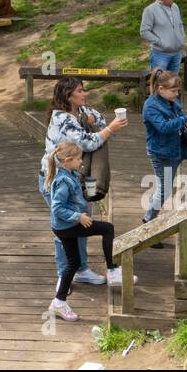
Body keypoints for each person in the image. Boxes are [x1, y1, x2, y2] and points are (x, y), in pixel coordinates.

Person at [39, 78, 130, 292]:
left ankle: (81, 270)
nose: (84, 94)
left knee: (83, 225)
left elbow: (98, 117)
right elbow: (89, 142)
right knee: (65, 229)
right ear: (68, 95)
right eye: (80, 91)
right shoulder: (63, 119)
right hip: (54, 181)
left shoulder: (77, 111)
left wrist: (91, 116)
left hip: (76, 180)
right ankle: (64, 276)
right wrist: (111, 129)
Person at [46, 141, 124, 322]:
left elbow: (74, 196)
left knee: (73, 263)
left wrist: (88, 194)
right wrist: (78, 217)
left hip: (63, 227)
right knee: (107, 229)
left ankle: (58, 302)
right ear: (67, 160)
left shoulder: (70, 174)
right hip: (68, 226)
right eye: (79, 159)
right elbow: (57, 208)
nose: (81, 162)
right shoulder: (63, 181)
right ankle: (112, 271)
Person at [141, 69, 187, 225]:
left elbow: (180, 116)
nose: (176, 94)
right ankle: (149, 220)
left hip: (181, 145)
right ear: (161, 89)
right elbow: (164, 127)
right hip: (164, 154)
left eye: (177, 91)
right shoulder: (150, 107)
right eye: (173, 91)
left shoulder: (172, 100)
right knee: (164, 191)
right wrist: (184, 119)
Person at [140, 0, 186, 73]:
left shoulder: (175, 7)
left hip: (177, 53)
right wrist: (160, 43)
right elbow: (144, 31)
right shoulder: (150, 10)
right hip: (160, 55)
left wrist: (182, 38)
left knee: (173, 83)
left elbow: (180, 25)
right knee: (160, 83)